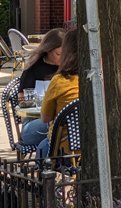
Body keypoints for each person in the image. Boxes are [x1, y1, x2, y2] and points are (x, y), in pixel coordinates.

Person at [18, 28, 66, 146]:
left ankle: (48, 155)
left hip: (60, 119)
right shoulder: (33, 68)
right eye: (58, 54)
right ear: (48, 50)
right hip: (35, 121)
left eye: (66, 54)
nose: (62, 58)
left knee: (51, 139)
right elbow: (22, 100)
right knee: (62, 124)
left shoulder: (69, 68)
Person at [37, 29, 79, 158]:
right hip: (97, 148)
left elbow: (45, 118)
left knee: (41, 148)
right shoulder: (101, 82)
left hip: (64, 150)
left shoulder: (59, 81)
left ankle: (45, 177)